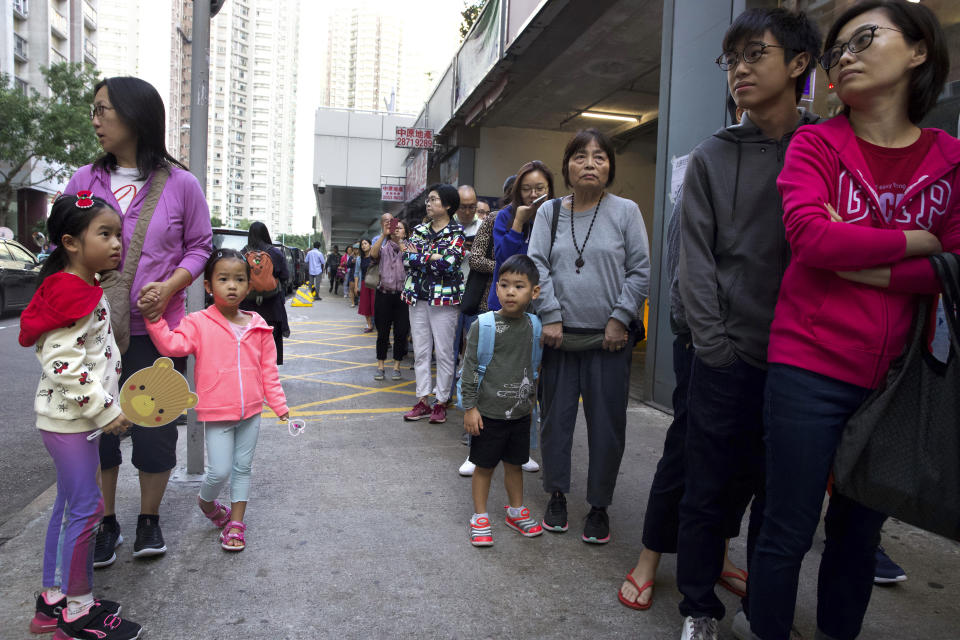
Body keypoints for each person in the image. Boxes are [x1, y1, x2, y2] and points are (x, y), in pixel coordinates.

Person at [748, 3, 958, 640]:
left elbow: (957, 267)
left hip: (897, 380)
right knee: (787, 527)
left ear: (918, 49)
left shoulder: (951, 158)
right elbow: (811, 241)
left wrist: (861, 252)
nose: (845, 55)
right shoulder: (816, 143)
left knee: (858, 537)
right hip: (807, 366)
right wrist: (921, 242)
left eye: (864, 39)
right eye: (838, 48)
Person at [669, 9, 823, 640]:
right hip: (729, 359)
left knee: (779, 501)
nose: (739, 69)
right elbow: (694, 262)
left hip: (806, 363)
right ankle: (698, 608)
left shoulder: (827, 149)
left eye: (755, 54)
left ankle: (764, 608)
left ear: (798, 63)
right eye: (731, 59)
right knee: (706, 490)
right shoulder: (712, 156)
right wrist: (717, 348)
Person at [65, 76, 212, 567]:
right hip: (91, 335)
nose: (96, 119)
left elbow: (199, 247)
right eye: (95, 110)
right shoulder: (84, 181)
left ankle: (148, 518)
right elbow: (61, 243)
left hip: (156, 333)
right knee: (97, 427)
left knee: (154, 427)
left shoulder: (181, 184)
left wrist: (170, 288)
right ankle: (106, 522)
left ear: (135, 115)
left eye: (104, 109)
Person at [18, 194, 143, 639]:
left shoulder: (78, 287)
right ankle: (77, 613)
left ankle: (52, 601)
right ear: (70, 242)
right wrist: (105, 410)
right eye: (104, 234)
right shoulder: (73, 293)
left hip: (69, 420)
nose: (116, 244)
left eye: (117, 235)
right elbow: (62, 362)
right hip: (72, 421)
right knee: (88, 511)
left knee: (70, 507)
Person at [528, 128, 650, 545]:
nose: (590, 164)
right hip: (559, 339)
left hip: (609, 341)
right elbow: (536, 265)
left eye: (600, 157)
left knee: (607, 427)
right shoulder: (549, 213)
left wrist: (620, 318)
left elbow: (639, 271)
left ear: (611, 166)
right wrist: (550, 317)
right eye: (580, 156)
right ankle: (557, 494)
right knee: (555, 423)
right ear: (566, 166)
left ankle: (599, 506)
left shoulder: (626, 211)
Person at [140, 249, 289, 552]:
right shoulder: (198, 322)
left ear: (249, 286)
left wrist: (279, 405)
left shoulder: (258, 324)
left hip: (251, 412)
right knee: (219, 471)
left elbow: (268, 370)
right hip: (216, 412)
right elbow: (173, 344)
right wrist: (154, 321)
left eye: (239, 280)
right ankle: (206, 502)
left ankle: (236, 524)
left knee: (243, 468)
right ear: (208, 286)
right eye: (223, 279)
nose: (232, 286)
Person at [462, 255, 545, 547]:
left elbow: (534, 368)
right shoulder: (483, 326)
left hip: (519, 415)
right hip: (488, 414)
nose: (510, 291)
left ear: (534, 292)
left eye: (519, 286)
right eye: (505, 285)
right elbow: (469, 368)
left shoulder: (534, 327)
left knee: (515, 464)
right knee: (484, 467)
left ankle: (515, 510)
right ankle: (480, 516)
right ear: (496, 289)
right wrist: (470, 408)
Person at [402, 184, 465, 424]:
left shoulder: (457, 232)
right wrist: (433, 256)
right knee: (421, 352)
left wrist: (424, 257)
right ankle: (422, 400)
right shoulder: (418, 230)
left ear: (448, 205)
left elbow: (450, 263)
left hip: (444, 300)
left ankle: (441, 402)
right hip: (417, 297)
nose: (428, 203)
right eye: (428, 200)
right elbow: (408, 259)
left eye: (434, 200)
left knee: (445, 353)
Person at [488, 161, 556, 312]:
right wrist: (518, 222)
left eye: (539, 189)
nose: (533, 195)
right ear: (518, 191)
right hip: (507, 303)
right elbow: (504, 259)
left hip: (544, 301)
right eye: (526, 189)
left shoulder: (557, 216)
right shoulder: (505, 216)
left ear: (549, 189)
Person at [240, 222, 289, 365]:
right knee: (270, 342)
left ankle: (251, 370)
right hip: (272, 306)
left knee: (249, 341)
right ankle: (268, 372)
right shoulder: (275, 253)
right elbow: (285, 276)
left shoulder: (243, 253)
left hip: (247, 307)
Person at [450, 185, 483, 397]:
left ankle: (470, 397)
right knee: (448, 348)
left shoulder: (484, 227)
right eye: (464, 207)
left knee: (474, 349)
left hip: (476, 296)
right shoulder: (446, 227)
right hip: (450, 295)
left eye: (472, 207)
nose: (468, 211)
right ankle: (445, 393)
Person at [371, 218, 410, 380]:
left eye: (400, 229)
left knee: (401, 333)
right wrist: (383, 235)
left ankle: (396, 366)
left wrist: (403, 245)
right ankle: (380, 366)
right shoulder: (384, 247)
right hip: (383, 295)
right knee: (382, 332)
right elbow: (373, 254)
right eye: (395, 228)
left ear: (406, 233)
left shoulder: (409, 247)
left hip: (402, 297)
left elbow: (412, 262)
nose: (396, 230)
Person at [356, 238, 375, 332]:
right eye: (362, 244)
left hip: (375, 283)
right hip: (364, 283)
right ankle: (369, 325)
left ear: (370, 245)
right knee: (365, 305)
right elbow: (357, 273)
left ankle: (378, 324)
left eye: (365, 243)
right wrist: (357, 286)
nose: (363, 245)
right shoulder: (360, 259)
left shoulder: (375, 256)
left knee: (375, 304)